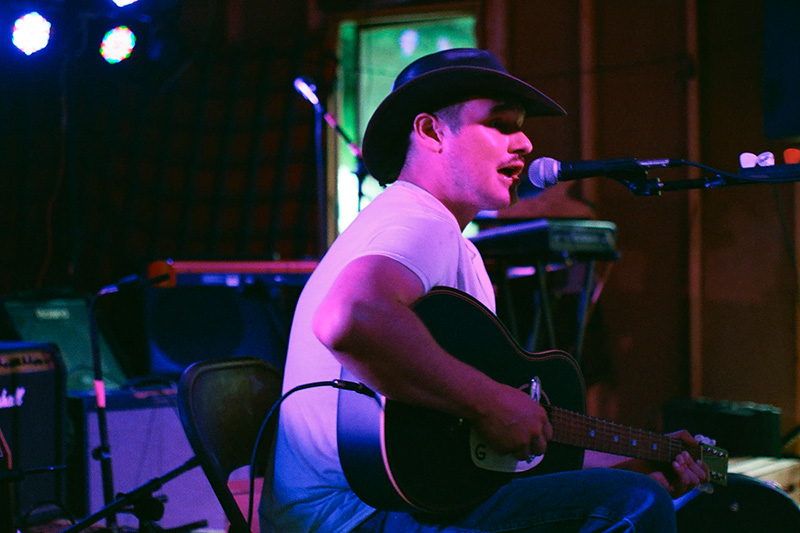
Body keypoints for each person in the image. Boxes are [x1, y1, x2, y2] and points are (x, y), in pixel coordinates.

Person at [259, 48, 709, 532]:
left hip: (397, 507)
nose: (525, 143)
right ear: (431, 132)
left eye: (520, 126)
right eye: (499, 124)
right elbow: (349, 318)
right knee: (633, 505)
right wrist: (491, 401)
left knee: (632, 493)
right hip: (354, 518)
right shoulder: (418, 220)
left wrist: (641, 460)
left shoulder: (451, 243)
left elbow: (479, 455)